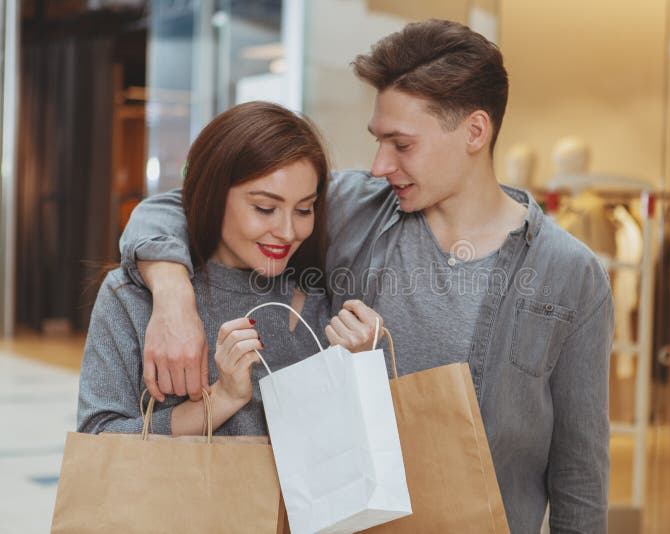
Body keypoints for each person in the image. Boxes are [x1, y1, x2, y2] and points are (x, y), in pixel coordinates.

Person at [118, 20, 614, 533]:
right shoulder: (354, 209)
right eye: (378, 141)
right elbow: (179, 207)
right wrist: (173, 296)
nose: (379, 165)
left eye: (401, 145)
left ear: (474, 131)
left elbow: (580, 481)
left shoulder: (568, 274)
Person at [78, 101, 382, 436]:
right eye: (265, 208)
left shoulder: (315, 301)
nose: (287, 231)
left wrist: (354, 370)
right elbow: (99, 438)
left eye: (304, 209)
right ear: (213, 195)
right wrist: (222, 399)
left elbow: (334, 450)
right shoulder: (133, 295)